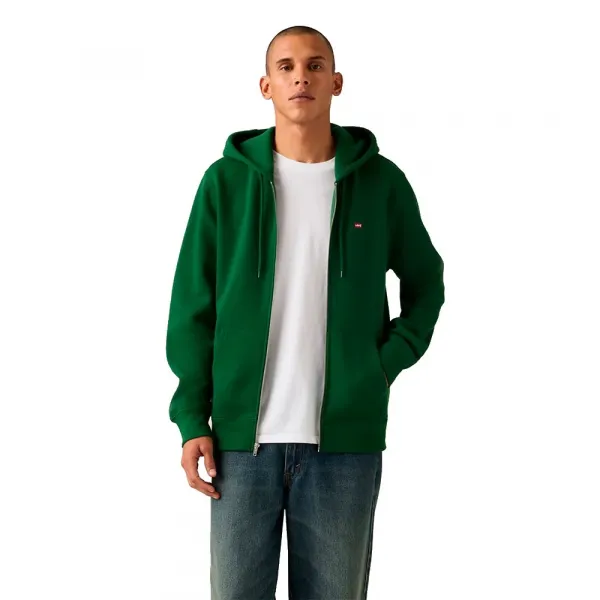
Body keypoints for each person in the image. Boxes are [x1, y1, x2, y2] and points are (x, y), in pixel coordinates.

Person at [166, 24, 445, 600]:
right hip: (240, 445)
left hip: (346, 444)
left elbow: (426, 282)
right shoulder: (225, 184)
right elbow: (192, 306)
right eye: (287, 67)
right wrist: (193, 419)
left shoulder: (382, 183)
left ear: (336, 82)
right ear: (266, 85)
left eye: (316, 65)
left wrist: (382, 364)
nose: (301, 77)